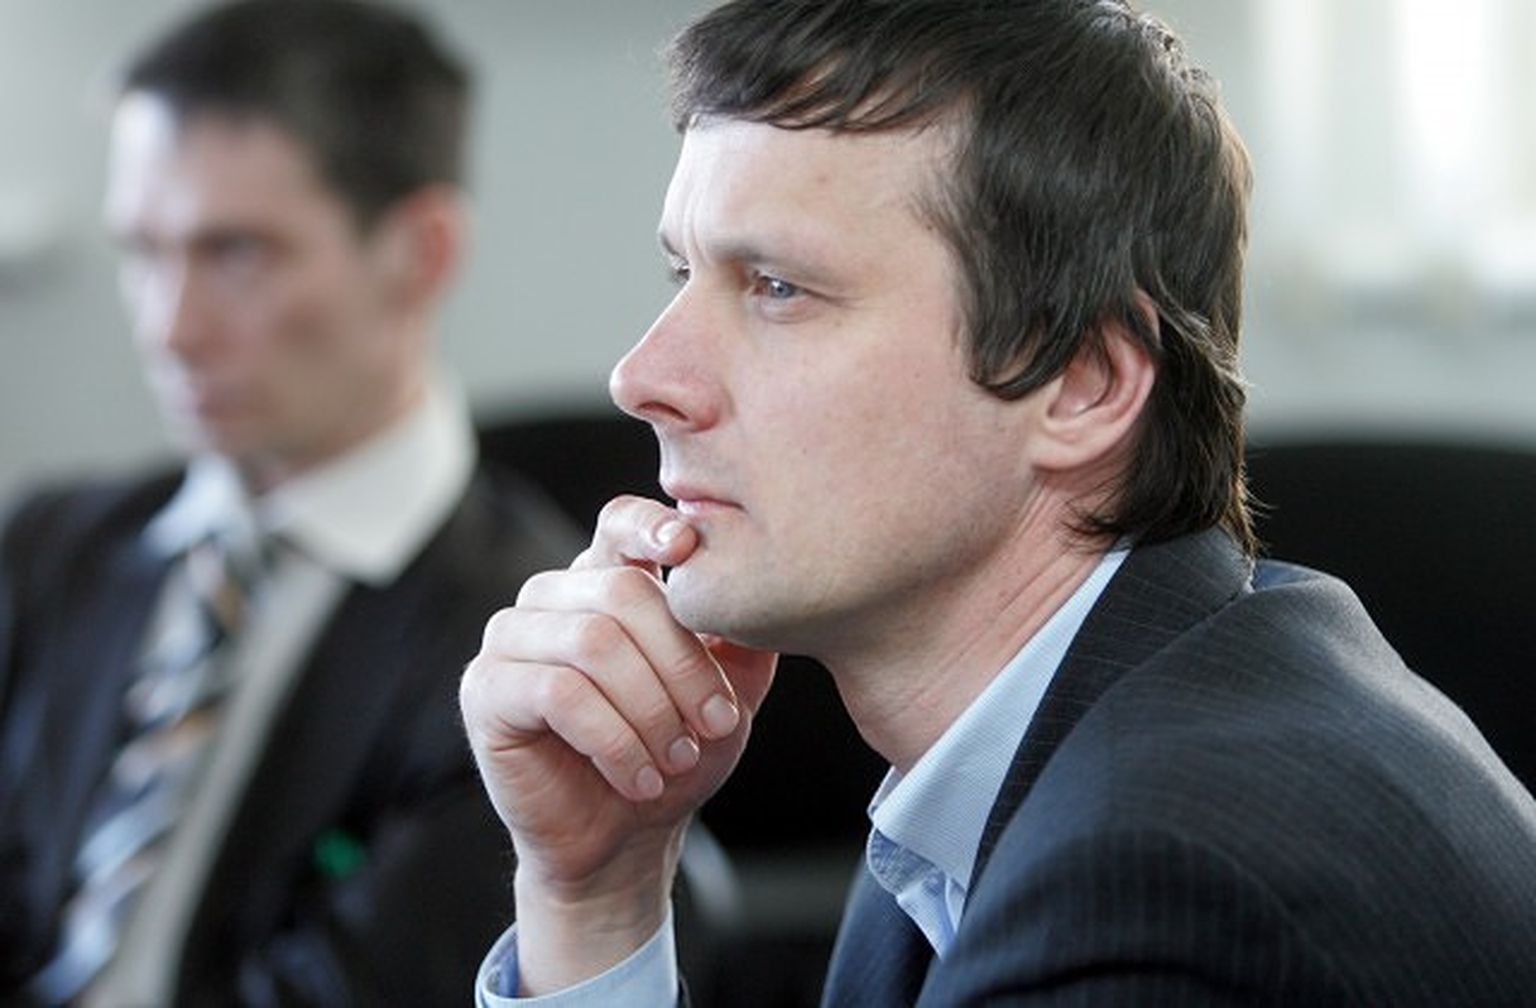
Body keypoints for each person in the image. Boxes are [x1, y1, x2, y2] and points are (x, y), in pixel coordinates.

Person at [459, 0, 1536, 1004]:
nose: (642, 378)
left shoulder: (1162, 884)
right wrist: (594, 898)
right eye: (681, 276)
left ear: (1083, 386)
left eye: (779, 288)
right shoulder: (1059, 754)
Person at [0, 2, 582, 1004]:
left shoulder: (528, 649)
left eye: (236, 253)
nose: (168, 327)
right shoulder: (50, 547)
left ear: (422, 253)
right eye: (142, 250)